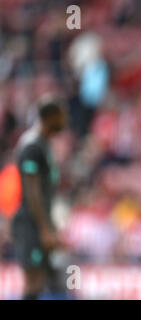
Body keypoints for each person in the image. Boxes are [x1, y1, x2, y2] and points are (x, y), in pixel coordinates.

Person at [11, 97, 67, 300]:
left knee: (41, 280)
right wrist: (44, 229)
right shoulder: (32, 147)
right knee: (33, 280)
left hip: (39, 222)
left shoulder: (42, 144)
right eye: (61, 116)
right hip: (30, 223)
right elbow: (32, 191)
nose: (65, 121)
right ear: (50, 117)